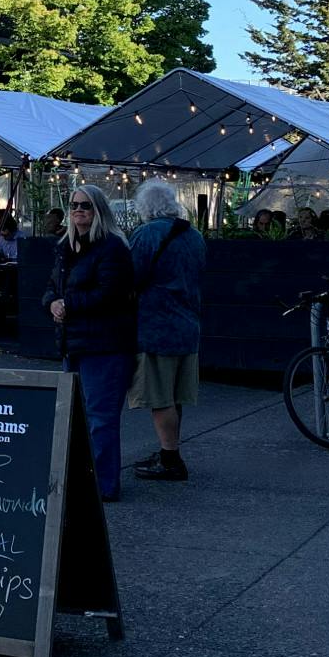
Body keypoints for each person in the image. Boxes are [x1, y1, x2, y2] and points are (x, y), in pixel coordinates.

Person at [45, 183, 137, 502]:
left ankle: (103, 485)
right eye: (74, 205)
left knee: (101, 417)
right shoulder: (65, 247)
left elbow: (111, 293)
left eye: (85, 205)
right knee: (78, 418)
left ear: (98, 210)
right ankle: (85, 480)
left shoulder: (112, 247)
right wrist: (53, 304)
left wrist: (69, 303)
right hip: (74, 343)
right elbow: (51, 288)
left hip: (106, 345)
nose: (78, 210)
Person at [126, 180, 205, 483]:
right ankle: (167, 449)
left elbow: (132, 277)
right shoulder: (194, 236)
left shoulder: (147, 234)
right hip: (188, 324)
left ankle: (170, 458)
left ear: (144, 207)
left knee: (159, 396)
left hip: (156, 325)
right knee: (175, 395)